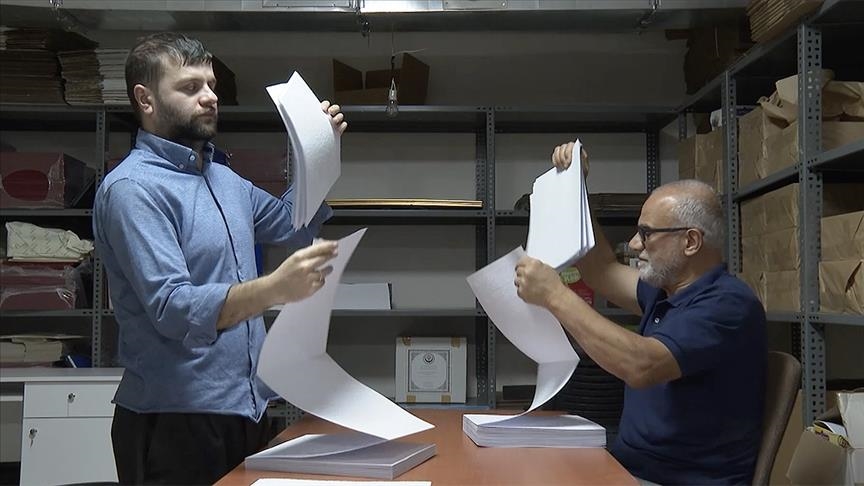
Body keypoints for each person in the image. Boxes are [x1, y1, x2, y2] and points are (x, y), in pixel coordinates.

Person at [92, 32, 347, 485]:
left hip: (247, 410)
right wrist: (272, 289)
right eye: (191, 87)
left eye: (211, 85)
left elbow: (291, 224)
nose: (210, 96)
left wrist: (318, 149)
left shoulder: (225, 180)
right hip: (175, 422)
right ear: (146, 100)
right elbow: (173, 308)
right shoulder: (133, 189)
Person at [515, 142, 767, 485]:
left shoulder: (728, 305)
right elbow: (601, 269)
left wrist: (554, 295)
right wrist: (575, 185)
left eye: (646, 233)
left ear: (690, 242)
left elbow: (642, 366)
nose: (634, 244)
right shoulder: (667, 291)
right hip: (630, 467)